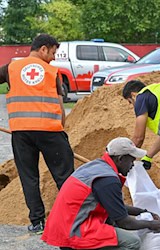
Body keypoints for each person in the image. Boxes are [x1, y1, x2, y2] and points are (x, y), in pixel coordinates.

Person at [0, 34, 74, 234]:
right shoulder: (52, 72)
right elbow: (60, 106)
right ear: (43, 49)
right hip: (50, 131)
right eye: (52, 52)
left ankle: (37, 222)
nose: (53, 58)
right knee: (65, 176)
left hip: (21, 132)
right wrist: (61, 130)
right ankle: (74, 218)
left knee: (29, 177)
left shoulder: (10, 68)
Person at [41, 137, 160, 250]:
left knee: (111, 223)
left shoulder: (97, 167)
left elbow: (115, 207)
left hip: (66, 225)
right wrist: (151, 224)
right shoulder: (108, 180)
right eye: (131, 160)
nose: (132, 165)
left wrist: (142, 211)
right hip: (75, 230)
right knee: (132, 241)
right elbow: (124, 222)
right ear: (120, 159)